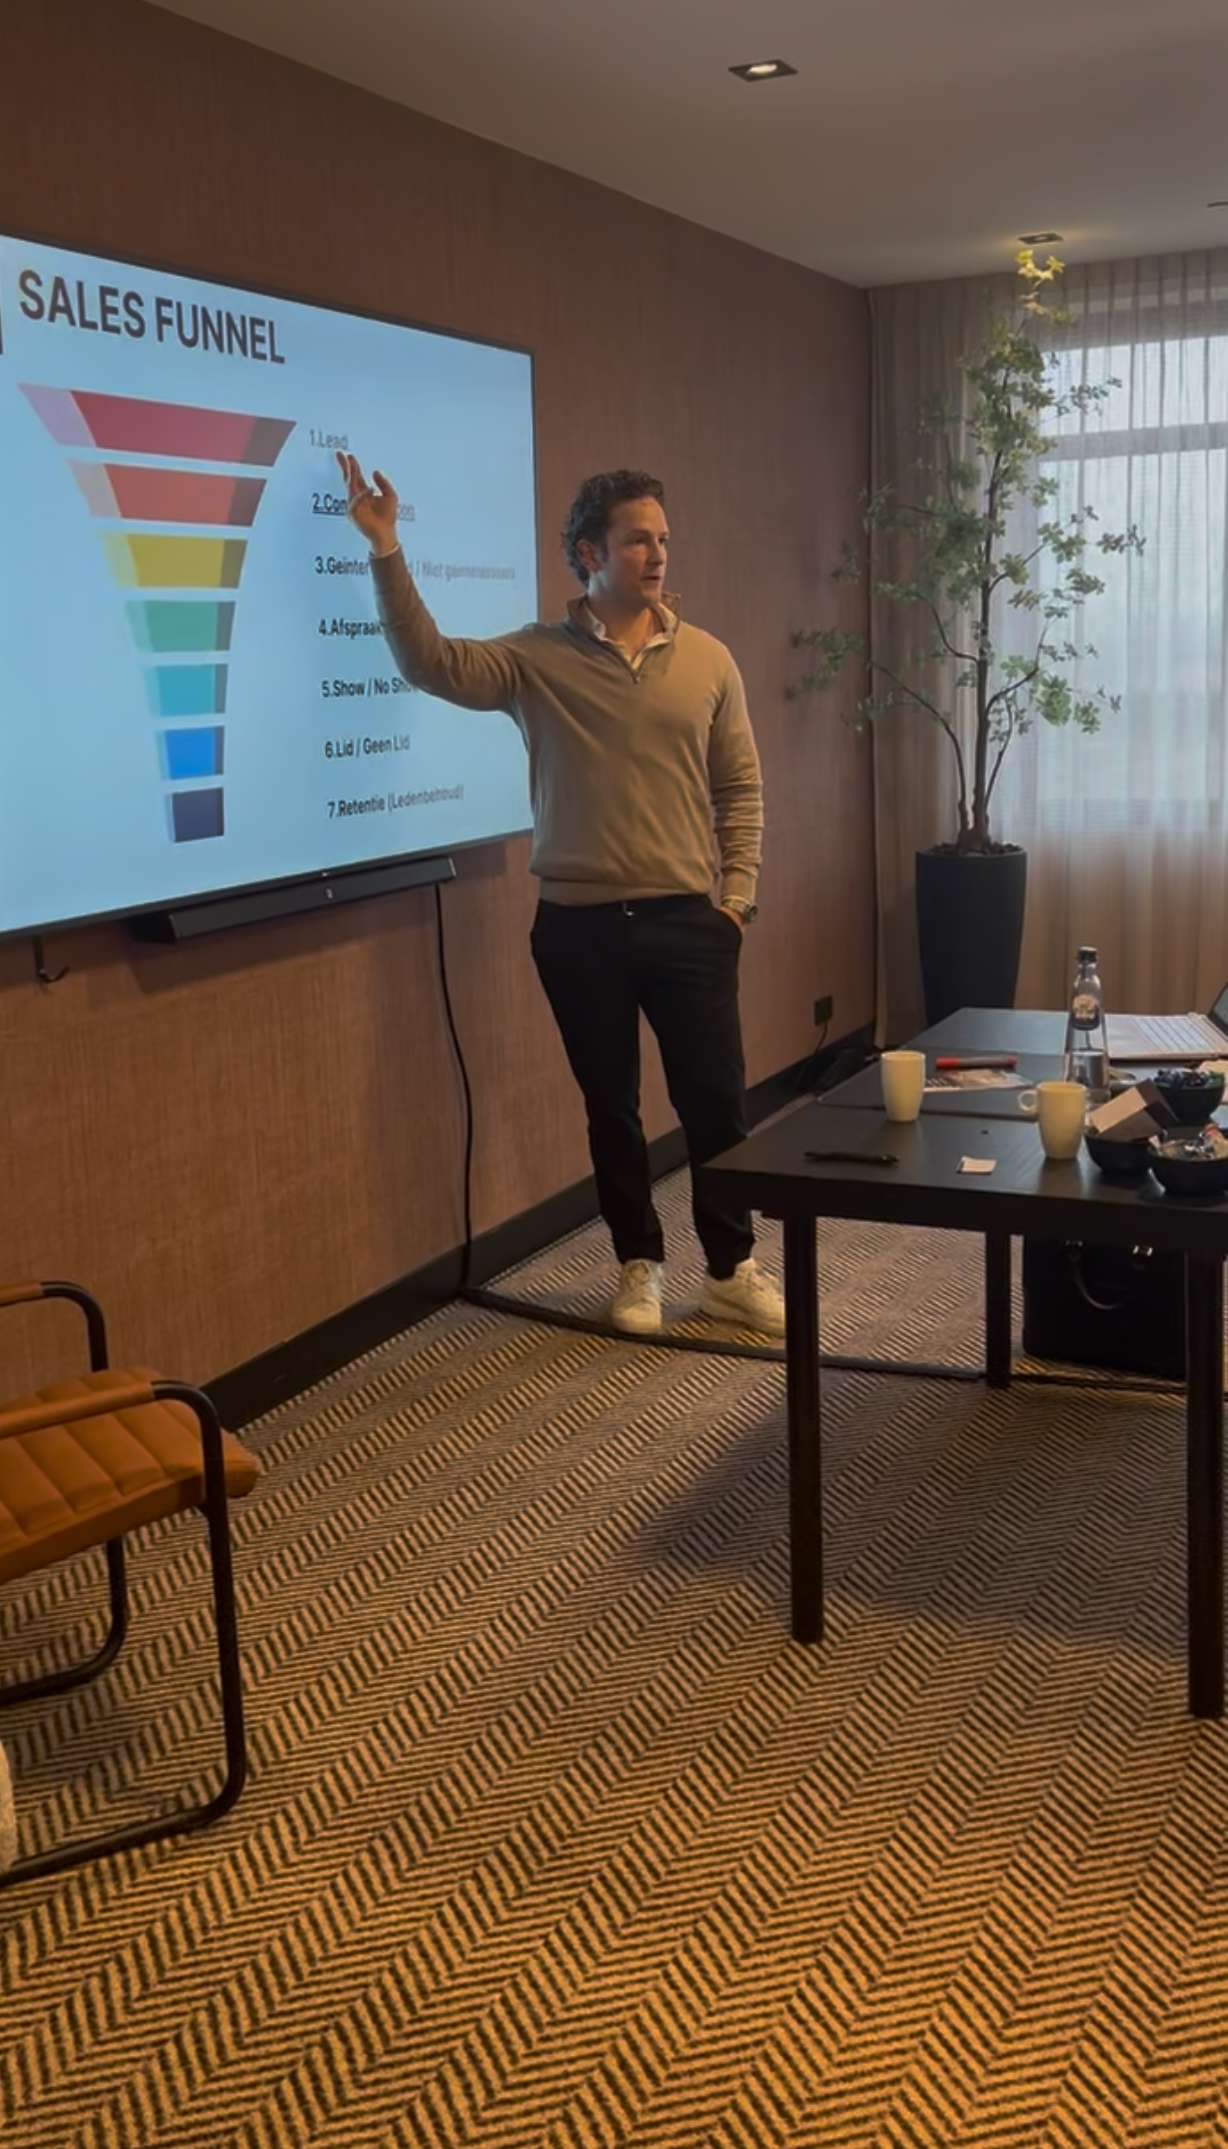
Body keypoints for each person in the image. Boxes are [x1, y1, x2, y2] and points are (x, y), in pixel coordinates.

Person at [338, 451, 784, 1340]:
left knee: (714, 1102)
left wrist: (736, 899)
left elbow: (739, 787)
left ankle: (731, 1268)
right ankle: (637, 1265)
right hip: (577, 926)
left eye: (663, 539)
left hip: (687, 921)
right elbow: (430, 664)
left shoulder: (708, 661)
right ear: (588, 553)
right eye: (636, 541)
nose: (657, 556)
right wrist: (387, 549)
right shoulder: (536, 659)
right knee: (609, 1104)